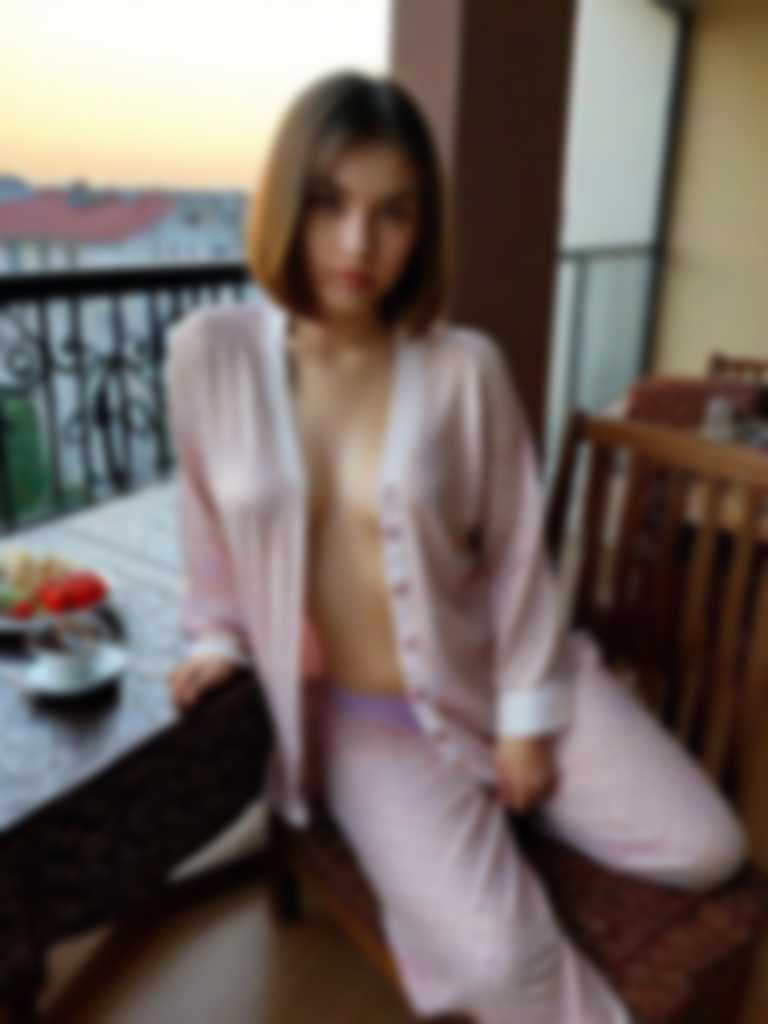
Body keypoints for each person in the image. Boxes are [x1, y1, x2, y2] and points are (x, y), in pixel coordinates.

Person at [165, 70, 748, 1024]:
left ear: (422, 228)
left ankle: (512, 813)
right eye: (329, 202)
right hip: (371, 728)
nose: (359, 244)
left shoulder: (463, 369)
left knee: (708, 848)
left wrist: (524, 718)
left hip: (503, 662)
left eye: (393, 213)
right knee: (499, 964)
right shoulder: (207, 355)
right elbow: (209, 532)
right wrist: (218, 639)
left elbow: (518, 557)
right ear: (284, 201)